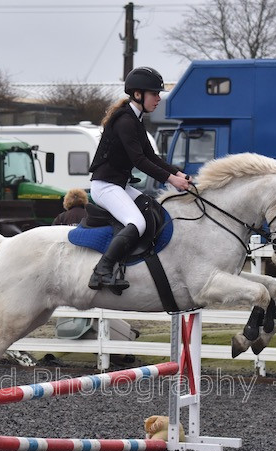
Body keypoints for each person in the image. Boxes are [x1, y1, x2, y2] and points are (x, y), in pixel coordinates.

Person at [87, 66, 191, 291]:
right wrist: (171, 180)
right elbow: (139, 161)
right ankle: (101, 271)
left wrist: (177, 172)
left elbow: (151, 156)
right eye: (154, 94)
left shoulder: (136, 119)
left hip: (118, 185)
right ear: (137, 94)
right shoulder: (125, 121)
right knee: (137, 223)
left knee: (150, 208)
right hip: (105, 186)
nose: (158, 98)